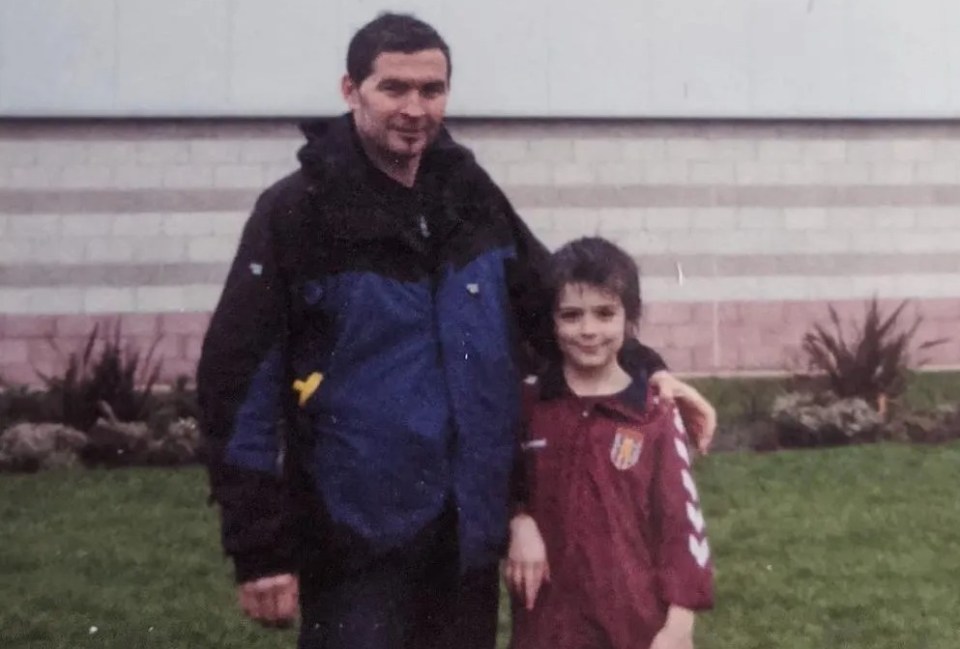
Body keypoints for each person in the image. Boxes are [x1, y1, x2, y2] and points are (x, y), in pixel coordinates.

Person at [196, 12, 716, 649]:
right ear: (349, 90)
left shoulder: (469, 195)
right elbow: (236, 384)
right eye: (394, 88)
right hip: (354, 536)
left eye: (432, 90)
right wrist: (259, 547)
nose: (415, 108)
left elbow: (547, 303)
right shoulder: (296, 213)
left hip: (466, 531)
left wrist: (646, 366)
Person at [504, 237, 714, 649]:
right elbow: (497, 483)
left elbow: (681, 525)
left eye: (604, 314)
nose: (588, 330)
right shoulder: (529, 405)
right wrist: (518, 520)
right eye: (571, 315)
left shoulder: (654, 412)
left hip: (633, 628)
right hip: (548, 628)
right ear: (551, 322)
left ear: (630, 320)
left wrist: (679, 624)